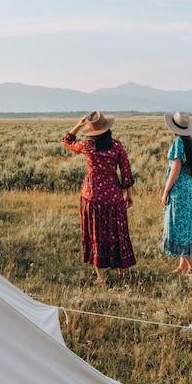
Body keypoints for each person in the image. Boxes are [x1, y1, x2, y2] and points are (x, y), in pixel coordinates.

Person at [61, 111, 136, 285]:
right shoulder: (117, 146)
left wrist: (79, 124)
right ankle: (122, 272)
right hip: (113, 196)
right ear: (108, 129)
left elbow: (66, 141)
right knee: (118, 232)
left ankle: (101, 277)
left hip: (92, 196)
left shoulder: (87, 146)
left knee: (96, 234)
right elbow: (125, 171)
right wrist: (129, 194)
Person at [162, 111, 192, 274]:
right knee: (186, 225)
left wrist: (165, 192)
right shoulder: (191, 143)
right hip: (190, 187)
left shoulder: (178, 142)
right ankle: (182, 266)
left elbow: (175, 170)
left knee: (177, 226)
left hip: (179, 189)